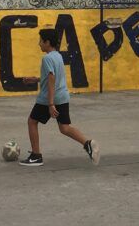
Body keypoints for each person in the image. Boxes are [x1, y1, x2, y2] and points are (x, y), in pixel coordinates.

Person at [19, 28, 100, 167]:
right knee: (64, 128)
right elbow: (51, 76)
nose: (39, 44)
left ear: (47, 42)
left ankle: (36, 155)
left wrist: (50, 104)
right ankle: (87, 144)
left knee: (32, 121)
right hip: (63, 96)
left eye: (40, 41)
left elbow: (51, 78)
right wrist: (35, 80)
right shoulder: (58, 56)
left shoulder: (47, 58)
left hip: (49, 98)